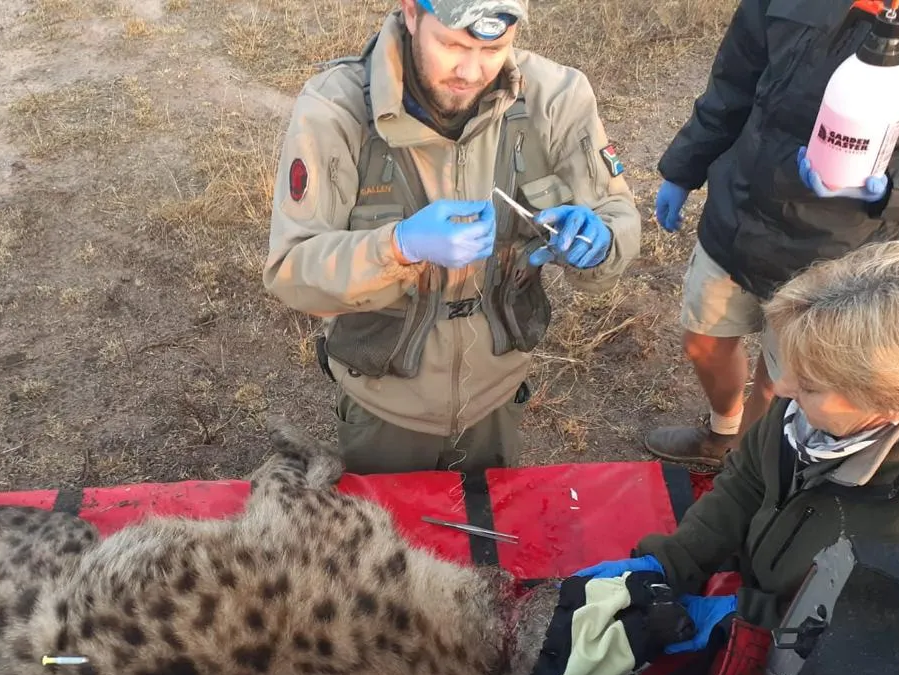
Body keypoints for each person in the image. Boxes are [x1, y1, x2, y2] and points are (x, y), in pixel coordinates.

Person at [263, 0, 641, 475]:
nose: (470, 71)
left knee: (487, 521)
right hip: (386, 409)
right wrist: (399, 247)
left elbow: (618, 213)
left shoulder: (555, 96)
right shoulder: (334, 108)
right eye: (452, 45)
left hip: (497, 399)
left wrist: (600, 242)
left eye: (493, 49)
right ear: (412, 14)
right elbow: (292, 271)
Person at [578, 242, 899, 661]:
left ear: (892, 404)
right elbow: (748, 477)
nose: (783, 388)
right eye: (790, 366)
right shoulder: (811, 404)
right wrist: (674, 560)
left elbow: (861, 630)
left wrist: (748, 618)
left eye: (810, 385)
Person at [643, 0, 899, 470]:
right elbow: (735, 80)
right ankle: (723, 428)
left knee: (786, 380)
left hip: (844, 251)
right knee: (703, 341)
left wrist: (893, 183)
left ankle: (743, 463)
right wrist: (684, 167)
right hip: (740, 211)